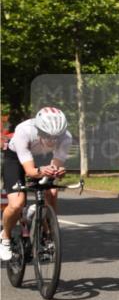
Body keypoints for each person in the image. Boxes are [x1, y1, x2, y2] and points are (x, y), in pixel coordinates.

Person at [1, 107, 72, 262]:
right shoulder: (24, 131)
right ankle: (5, 237)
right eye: (48, 136)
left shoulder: (66, 137)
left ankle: (47, 235)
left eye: (56, 137)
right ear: (38, 129)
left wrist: (58, 171)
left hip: (42, 158)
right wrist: (40, 171)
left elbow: (56, 165)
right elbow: (30, 171)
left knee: (52, 193)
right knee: (16, 204)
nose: (52, 140)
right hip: (16, 159)